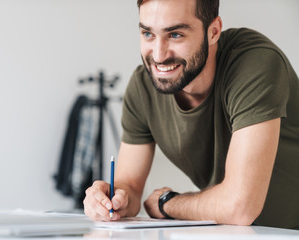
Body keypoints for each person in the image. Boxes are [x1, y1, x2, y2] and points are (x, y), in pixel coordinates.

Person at [83, 0, 299, 230]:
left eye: (175, 34)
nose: (158, 55)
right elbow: (131, 189)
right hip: (243, 233)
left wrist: (168, 203)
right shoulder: (142, 87)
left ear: (214, 31)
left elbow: (240, 206)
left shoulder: (254, 62)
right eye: (148, 33)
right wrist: (112, 200)